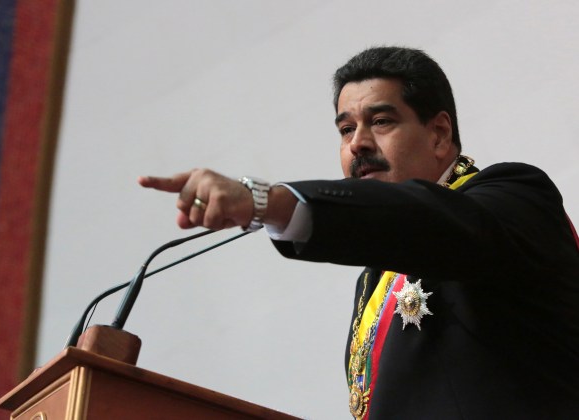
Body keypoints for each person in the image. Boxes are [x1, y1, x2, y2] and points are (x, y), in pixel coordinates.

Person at [138, 47, 579, 419]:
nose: (357, 144)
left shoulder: (516, 197)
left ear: (440, 134)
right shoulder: (373, 278)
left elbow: (432, 222)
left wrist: (267, 202)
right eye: (346, 129)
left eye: (381, 121)